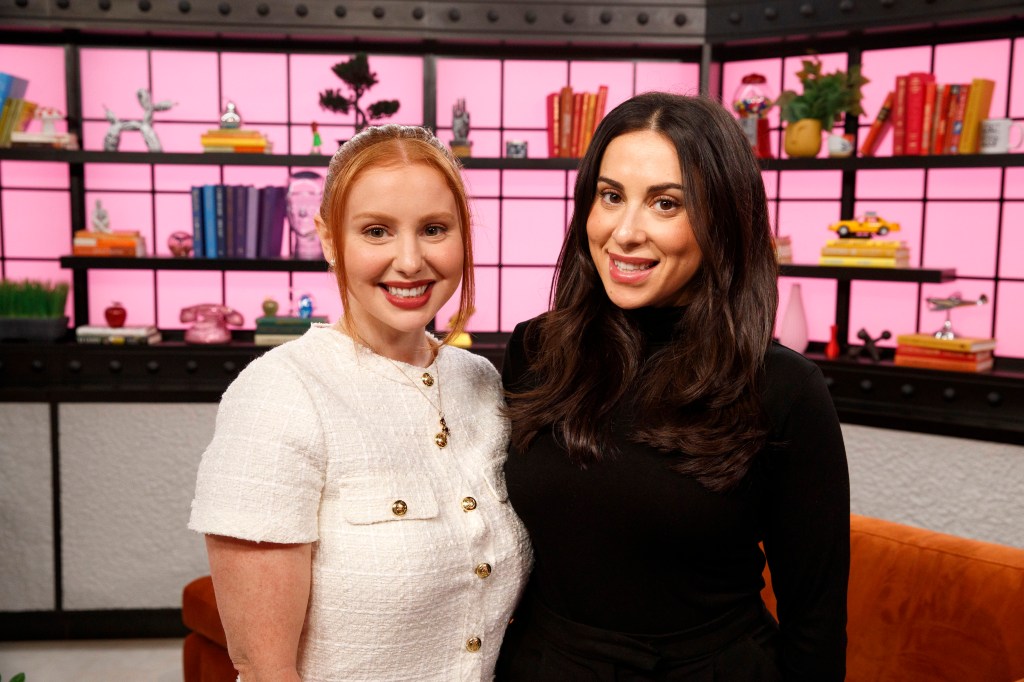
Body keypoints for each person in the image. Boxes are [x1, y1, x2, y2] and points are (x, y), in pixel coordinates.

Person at [497, 92, 850, 681]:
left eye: (666, 204)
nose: (625, 232)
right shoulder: (534, 351)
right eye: (611, 197)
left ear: (723, 219)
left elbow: (814, 621)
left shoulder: (785, 389)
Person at [189, 124, 532, 682]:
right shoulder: (279, 393)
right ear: (328, 240)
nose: (410, 260)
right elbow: (263, 667)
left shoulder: (483, 384)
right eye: (376, 231)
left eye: (434, 229)